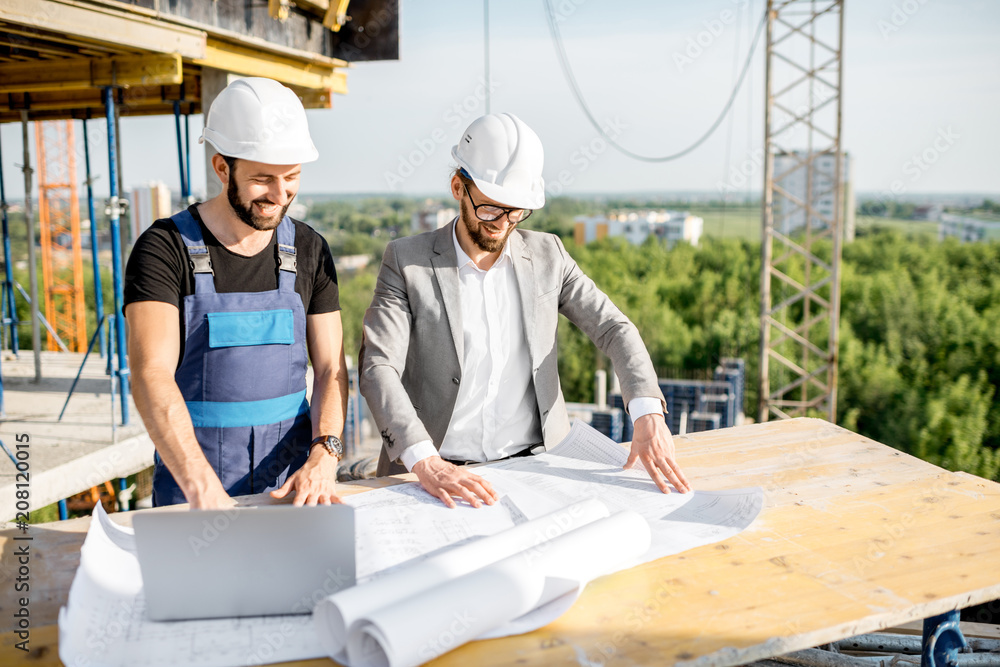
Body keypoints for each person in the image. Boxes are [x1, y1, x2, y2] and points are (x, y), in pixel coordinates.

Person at [359, 112, 692, 508]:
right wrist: (426, 461)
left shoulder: (549, 254)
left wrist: (647, 412)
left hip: (536, 468)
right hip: (433, 475)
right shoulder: (406, 261)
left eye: (515, 211)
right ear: (457, 187)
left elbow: (613, 327)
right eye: (490, 209)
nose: (502, 223)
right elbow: (378, 367)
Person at [125, 77, 348, 509]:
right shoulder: (163, 248)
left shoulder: (308, 249)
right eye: (262, 179)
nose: (279, 195)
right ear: (222, 168)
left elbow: (329, 370)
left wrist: (326, 453)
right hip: (194, 483)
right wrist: (198, 483)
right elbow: (150, 373)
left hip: (294, 483)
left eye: (292, 178)